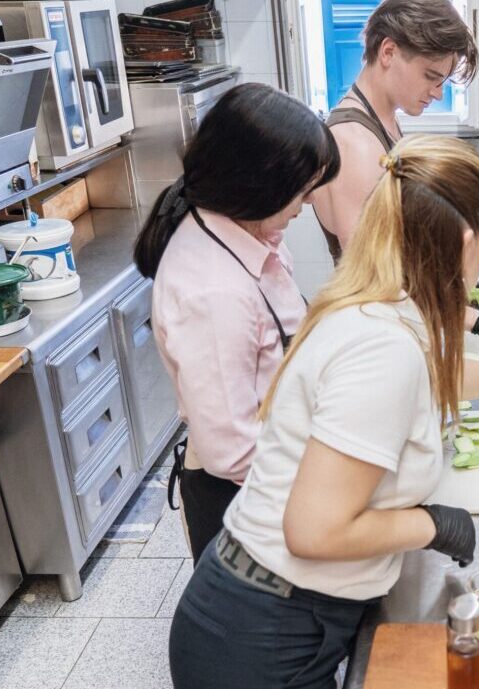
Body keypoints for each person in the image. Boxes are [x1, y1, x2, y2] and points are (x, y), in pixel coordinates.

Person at [168, 136, 479, 689]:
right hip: (263, 635)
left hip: (274, 610)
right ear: (463, 240)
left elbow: (428, 377)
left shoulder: (381, 303)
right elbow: (315, 530)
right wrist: (435, 524)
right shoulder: (383, 348)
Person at [139, 84, 339, 563]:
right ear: (258, 183)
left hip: (282, 469)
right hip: (247, 499)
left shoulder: (257, 234)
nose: (309, 201)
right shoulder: (213, 292)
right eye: (303, 188)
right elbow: (233, 452)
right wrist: (338, 480)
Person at [309, 0, 479, 362]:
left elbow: (400, 242)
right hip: (376, 341)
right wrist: (474, 320)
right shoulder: (355, 144)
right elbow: (376, 284)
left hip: (402, 326)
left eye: (442, 81)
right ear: (388, 51)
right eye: (431, 76)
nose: (436, 91)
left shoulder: (384, 122)